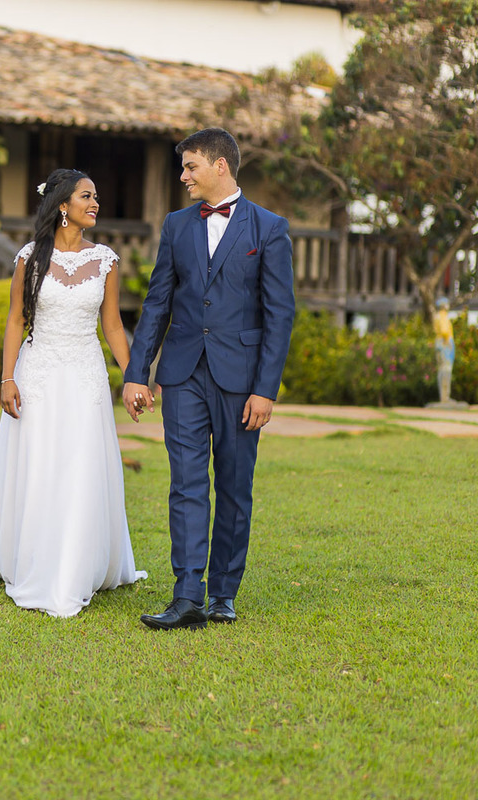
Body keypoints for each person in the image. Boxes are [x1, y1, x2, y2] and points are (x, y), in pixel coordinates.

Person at [122, 128, 295, 630]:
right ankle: (186, 594)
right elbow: (157, 302)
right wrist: (139, 373)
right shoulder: (176, 226)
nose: (183, 176)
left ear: (220, 166)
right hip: (182, 374)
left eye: (190, 166)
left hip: (243, 381)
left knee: (235, 487)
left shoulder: (269, 228)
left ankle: (223, 593)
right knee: (187, 484)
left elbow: (279, 315)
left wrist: (265, 389)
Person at [0, 168, 147, 617]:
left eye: (96, 196)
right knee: (40, 462)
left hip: (86, 374)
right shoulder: (30, 257)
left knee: (81, 465)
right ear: (62, 206)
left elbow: (112, 326)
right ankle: (33, 557)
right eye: (86, 196)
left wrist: (134, 376)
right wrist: (8, 377)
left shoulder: (106, 260)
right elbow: (16, 320)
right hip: (38, 372)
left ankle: (78, 563)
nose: (95, 203)